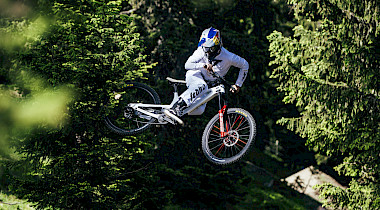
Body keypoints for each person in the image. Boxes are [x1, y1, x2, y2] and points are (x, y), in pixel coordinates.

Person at [167, 26, 249, 118]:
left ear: (218, 46)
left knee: (199, 110)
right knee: (201, 86)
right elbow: (187, 65)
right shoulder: (201, 51)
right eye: (206, 48)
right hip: (195, 75)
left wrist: (238, 84)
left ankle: (172, 115)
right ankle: (176, 107)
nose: (208, 52)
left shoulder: (228, 57)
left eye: (211, 49)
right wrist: (203, 65)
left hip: (208, 84)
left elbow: (245, 65)